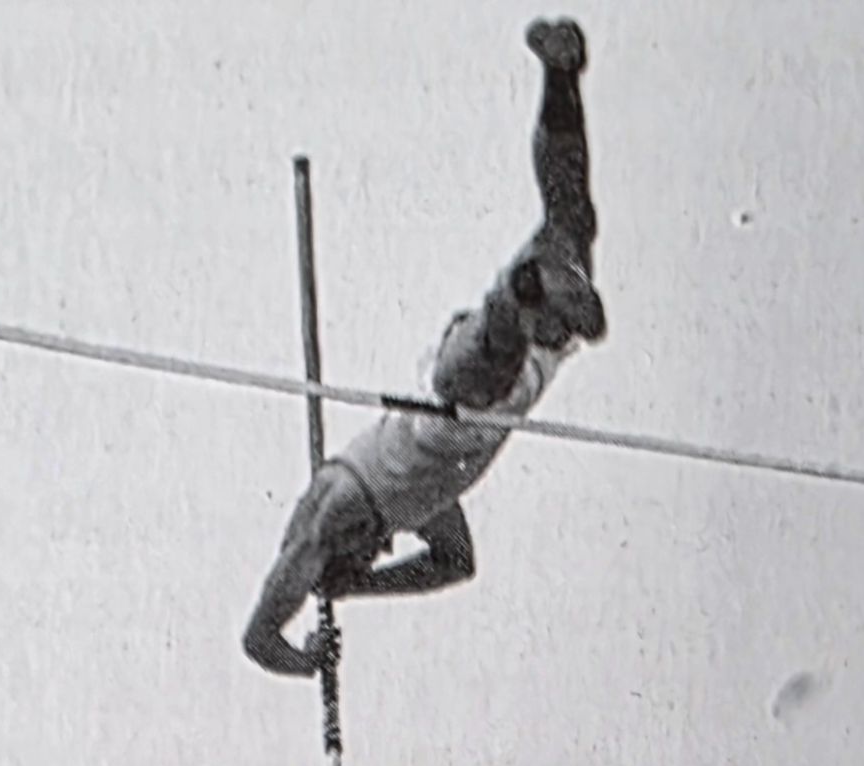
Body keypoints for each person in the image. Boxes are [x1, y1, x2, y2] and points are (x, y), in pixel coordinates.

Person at [242, 18, 606, 678]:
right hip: (504, 387)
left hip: (452, 406)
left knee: (470, 381)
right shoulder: (417, 506)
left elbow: (259, 638)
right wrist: (360, 587)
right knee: (571, 219)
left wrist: (306, 659)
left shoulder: (330, 514)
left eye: (363, 556)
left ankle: (516, 298)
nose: (376, 553)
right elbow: (455, 564)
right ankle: (560, 75)